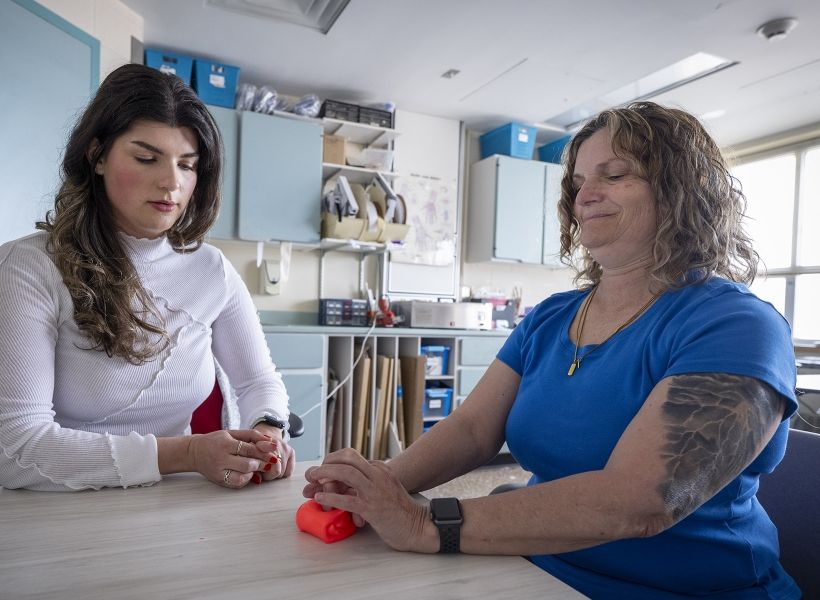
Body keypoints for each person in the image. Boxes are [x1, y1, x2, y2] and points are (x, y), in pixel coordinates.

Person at [304, 102, 800, 599]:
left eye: (616, 173)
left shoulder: (736, 325)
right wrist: (376, 489)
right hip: (536, 568)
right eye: (578, 181)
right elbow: (474, 430)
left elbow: (640, 503)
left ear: (682, 191)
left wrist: (426, 521)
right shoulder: (551, 316)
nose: (585, 195)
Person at [0, 63, 295, 492]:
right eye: (146, 158)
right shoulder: (27, 268)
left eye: (188, 165)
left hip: (165, 503)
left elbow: (258, 381)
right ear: (97, 156)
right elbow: (18, 451)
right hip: (47, 503)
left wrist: (268, 432)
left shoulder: (211, 269)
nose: (171, 182)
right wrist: (189, 453)